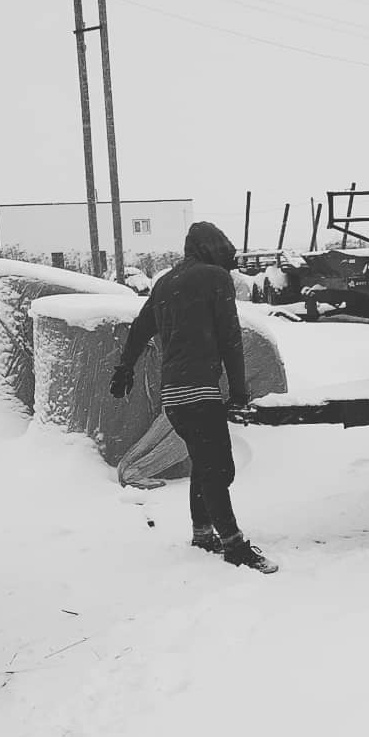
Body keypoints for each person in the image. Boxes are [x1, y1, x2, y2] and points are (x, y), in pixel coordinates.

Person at [110, 221, 278, 574]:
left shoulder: (165, 282)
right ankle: (234, 545)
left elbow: (140, 328)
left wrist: (124, 368)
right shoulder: (215, 279)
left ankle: (203, 534)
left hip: (173, 396)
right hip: (201, 392)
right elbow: (230, 336)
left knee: (205, 463)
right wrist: (239, 392)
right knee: (219, 468)